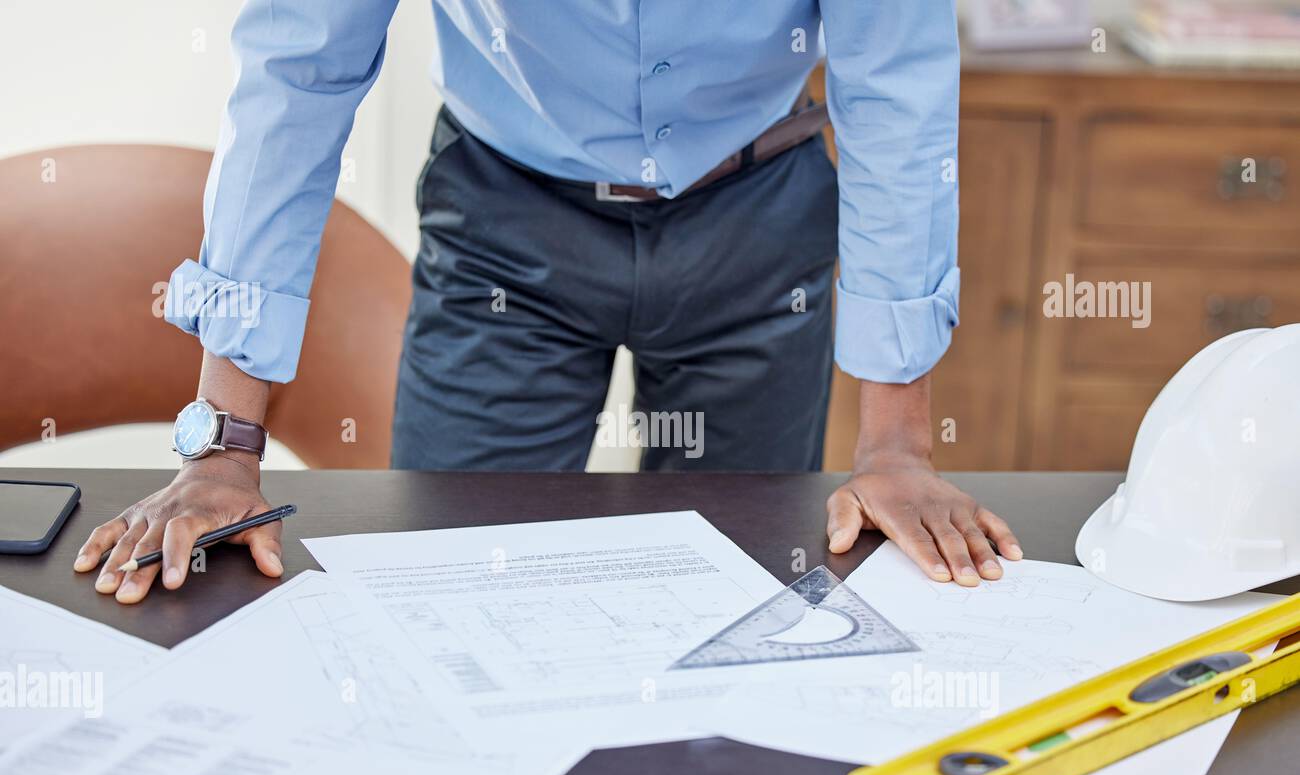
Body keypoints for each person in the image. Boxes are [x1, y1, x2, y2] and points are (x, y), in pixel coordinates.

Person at [74, 1, 1022, 604]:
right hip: (506, 219)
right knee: (446, 590)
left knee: (744, 598)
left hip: (757, 212)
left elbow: (894, 86)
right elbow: (298, 71)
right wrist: (225, 450)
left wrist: (895, 444)